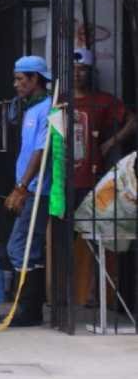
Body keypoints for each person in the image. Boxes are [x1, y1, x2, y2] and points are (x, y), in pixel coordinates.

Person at [71, 48, 136, 306]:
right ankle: (66, 293)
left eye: (83, 69)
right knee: (64, 239)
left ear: (90, 72)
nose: (77, 74)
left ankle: (98, 293)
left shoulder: (102, 101)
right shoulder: (60, 100)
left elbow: (132, 121)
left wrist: (111, 143)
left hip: (94, 180)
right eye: (73, 69)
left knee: (99, 236)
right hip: (63, 181)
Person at [0, 55, 52, 327]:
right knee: (28, 248)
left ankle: (28, 310)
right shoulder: (31, 109)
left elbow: (41, 152)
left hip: (37, 189)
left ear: (35, 79)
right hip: (27, 187)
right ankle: (31, 309)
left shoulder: (48, 110)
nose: (16, 84)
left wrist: (22, 187)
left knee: (19, 247)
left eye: (21, 79)